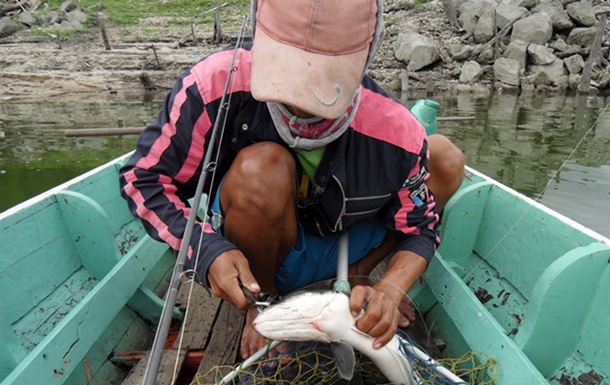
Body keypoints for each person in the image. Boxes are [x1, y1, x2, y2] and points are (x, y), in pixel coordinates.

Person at [120, 0, 465, 360]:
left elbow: (420, 228)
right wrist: (206, 252)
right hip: (262, 253)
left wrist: (391, 289)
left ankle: (359, 275)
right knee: (262, 168)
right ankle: (264, 303)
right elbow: (144, 179)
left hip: (349, 244)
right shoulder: (212, 86)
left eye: (325, 76)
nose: (301, 104)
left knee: (440, 154)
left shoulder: (396, 130)